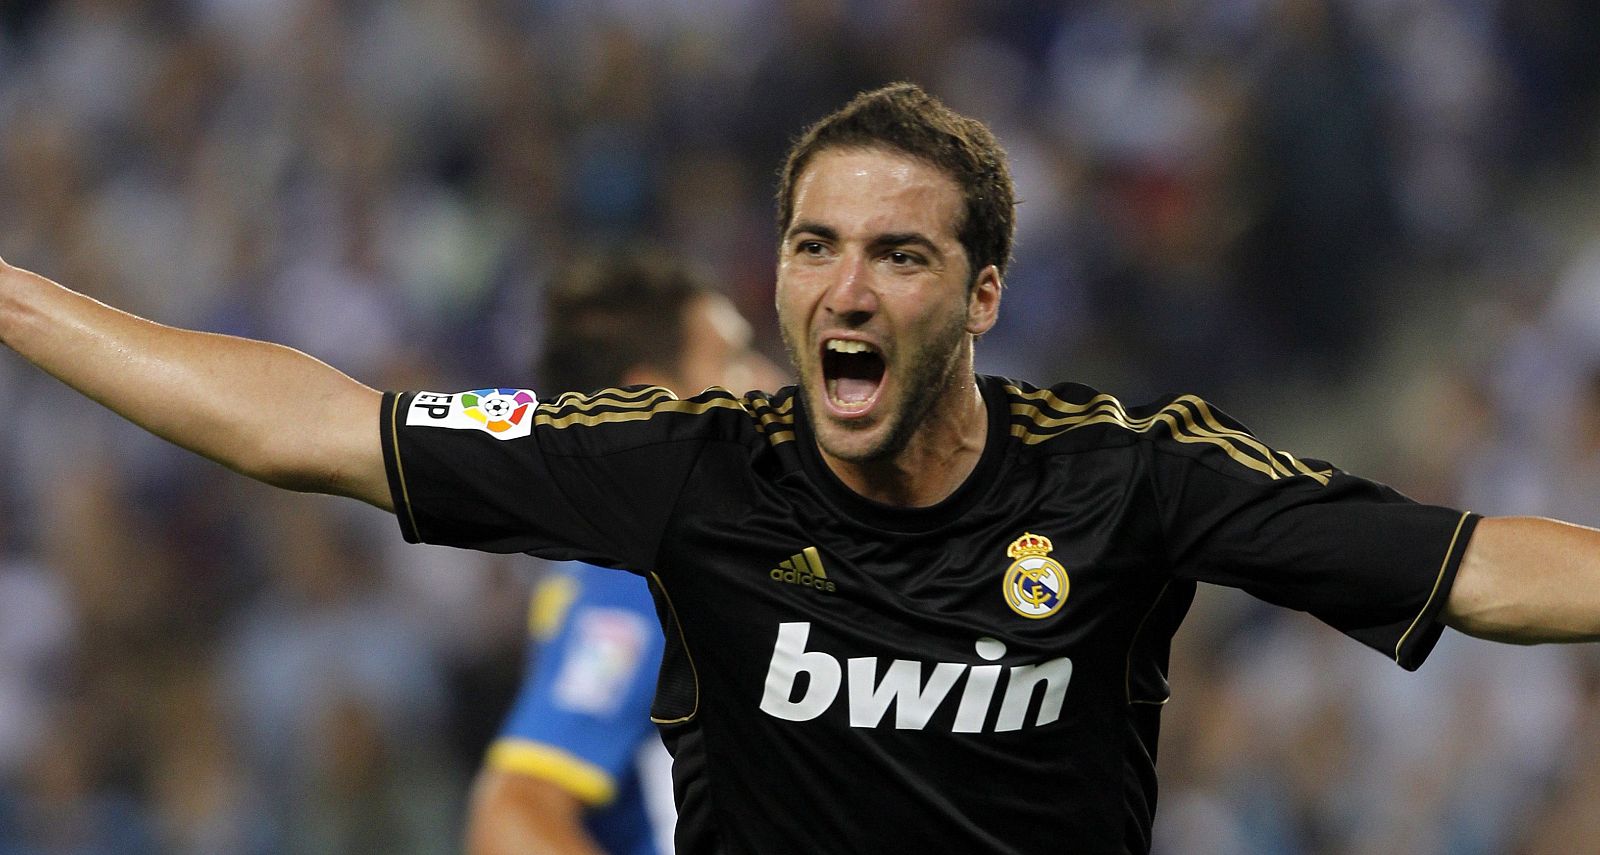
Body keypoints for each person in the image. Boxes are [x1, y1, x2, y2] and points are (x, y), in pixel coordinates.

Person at [3, 81, 1600, 854]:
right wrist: (13, 295)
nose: (843, 288)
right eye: (812, 246)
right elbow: (306, 425)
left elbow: (1471, 566)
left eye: (898, 254)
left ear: (981, 296)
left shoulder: (1126, 478)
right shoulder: (681, 473)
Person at [466, 252, 780, 855]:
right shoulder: (642, 586)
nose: (768, 377)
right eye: (734, 359)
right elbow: (509, 821)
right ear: (653, 406)